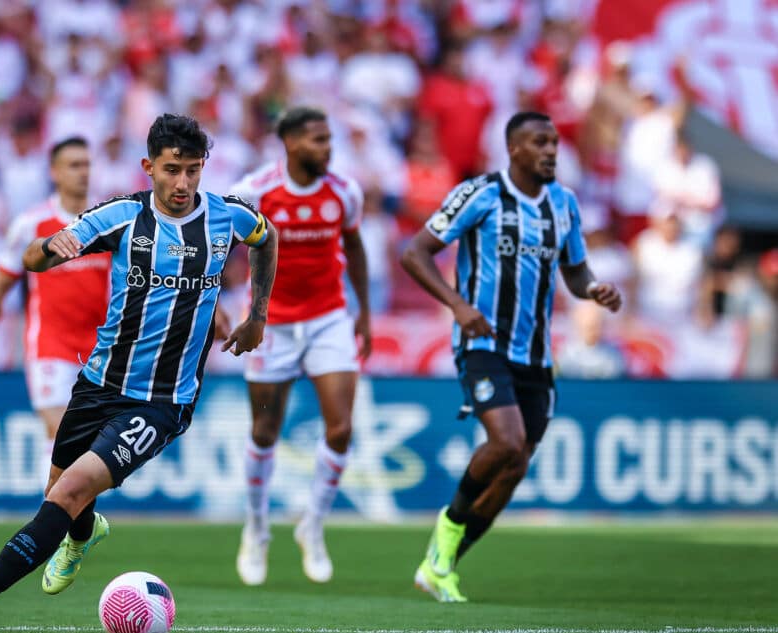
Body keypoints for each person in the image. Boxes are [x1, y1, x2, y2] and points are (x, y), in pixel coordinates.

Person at [0, 113, 278, 633]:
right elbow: (31, 256)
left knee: (67, 492)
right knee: (60, 495)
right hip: (96, 385)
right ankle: (83, 534)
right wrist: (53, 249)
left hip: (161, 402)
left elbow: (268, 237)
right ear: (148, 168)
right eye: (171, 170)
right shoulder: (121, 217)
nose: (182, 183)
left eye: (192, 169)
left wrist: (258, 314)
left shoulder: (227, 217)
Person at [399, 111, 622, 602]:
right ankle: (448, 528)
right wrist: (458, 306)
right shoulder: (480, 193)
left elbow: (576, 272)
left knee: (516, 464)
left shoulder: (563, 204)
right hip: (483, 344)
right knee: (506, 441)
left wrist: (595, 289)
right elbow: (414, 252)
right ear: (514, 149)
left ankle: (441, 566)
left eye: (554, 143)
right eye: (540, 143)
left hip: (537, 356)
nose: (550, 151)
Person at [229, 106, 371, 586]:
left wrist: (364, 314)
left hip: (329, 319)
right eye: (317, 140)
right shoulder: (257, 191)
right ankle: (257, 527)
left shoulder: (344, 192)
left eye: (329, 139)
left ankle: (311, 524)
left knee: (341, 428)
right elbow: (215, 244)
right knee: (265, 430)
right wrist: (233, 311)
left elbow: (354, 248)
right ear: (290, 143)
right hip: (273, 325)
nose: (327, 148)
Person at [0, 137, 110, 482]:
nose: (83, 172)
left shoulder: (108, 221)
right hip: (50, 344)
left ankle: (64, 522)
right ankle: (54, 525)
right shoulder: (32, 224)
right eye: (74, 165)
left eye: (87, 164)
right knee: (61, 430)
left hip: (98, 347)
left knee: (86, 443)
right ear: (54, 172)